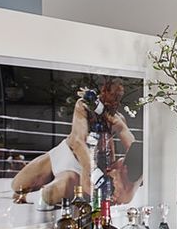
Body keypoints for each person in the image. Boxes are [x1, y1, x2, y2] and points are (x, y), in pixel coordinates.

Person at [10, 79, 138, 207]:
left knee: (57, 189)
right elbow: (78, 142)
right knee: (17, 185)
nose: (116, 101)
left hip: (87, 169)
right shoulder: (84, 106)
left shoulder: (118, 118)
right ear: (104, 91)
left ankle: (32, 196)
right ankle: (32, 189)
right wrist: (91, 171)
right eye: (114, 96)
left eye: (119, 97)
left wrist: (121, 127)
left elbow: (135, 151)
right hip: (68, 154)